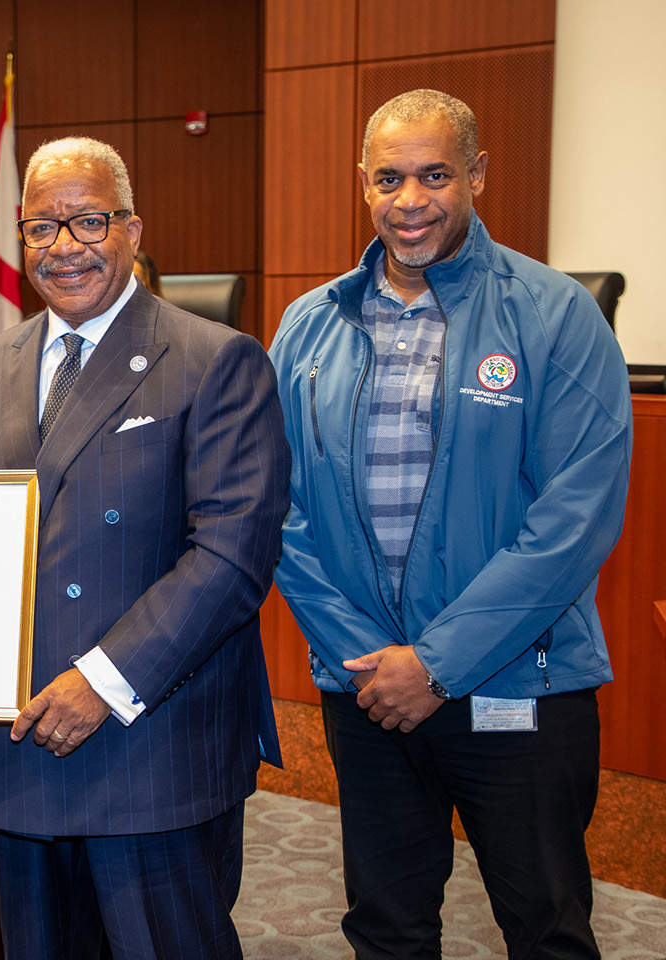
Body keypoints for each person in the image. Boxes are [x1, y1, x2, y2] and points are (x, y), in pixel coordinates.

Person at [269, 89, 631, 959]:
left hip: (518, 684)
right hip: (367, 689)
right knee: (386, 930)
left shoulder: (554, 313)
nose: (410, 200)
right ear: (362, 183)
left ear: (477, 175)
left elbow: (576, 517)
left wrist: (436, 664)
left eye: (434, 176)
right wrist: (365, 657)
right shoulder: (309, 326)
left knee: (547, 930)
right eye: (388, 178)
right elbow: (274, 507)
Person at [0, 137, 290, 959]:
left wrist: (102, 682)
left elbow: (231, 557)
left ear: (132, 229)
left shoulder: (215, 359)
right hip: (20, 740)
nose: (64, 247)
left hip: (150, 745)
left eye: (89, 221)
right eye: (41, 227)